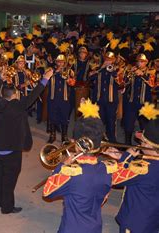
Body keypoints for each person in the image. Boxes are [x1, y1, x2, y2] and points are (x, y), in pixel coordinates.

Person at [43, 99, 116, 233]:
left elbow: (47, 192)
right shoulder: (108, 169)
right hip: (95, 226)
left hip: (72, 228)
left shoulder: (70, 173)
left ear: (75, 142)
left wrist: (62, 165)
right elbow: (103, 199)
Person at [0, 68, 53, 214]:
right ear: (15, 95)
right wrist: (45, 79)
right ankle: (7, 207)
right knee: (9, 179)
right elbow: (33, 96)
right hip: (11, 149)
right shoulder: (17, 106)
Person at [106, 102, 159, 233]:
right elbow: (141, 173)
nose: (140, 143)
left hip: (135, 223)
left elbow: (115, 178)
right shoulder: (150, 164)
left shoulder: (144, 168)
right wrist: (120, 155)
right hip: (153, 218)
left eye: (143, 142)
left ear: (151, 147)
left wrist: (125, 158)